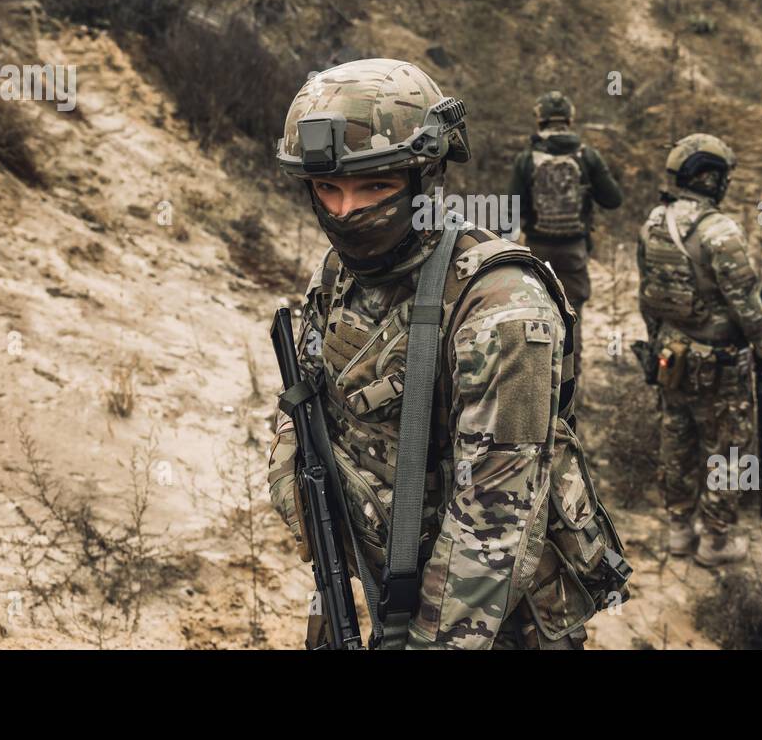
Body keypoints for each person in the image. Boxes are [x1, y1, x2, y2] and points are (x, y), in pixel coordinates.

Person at [267, 59, 627, 649]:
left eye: (375, 187)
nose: (346, 212)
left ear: (424, 176)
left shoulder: (501, 305)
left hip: (495, 621)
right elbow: (303, 406)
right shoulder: (335, 274)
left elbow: (494, 524)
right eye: (327, 189)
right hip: (380, 585)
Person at [636, 133, 762, 566]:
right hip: (720, 361)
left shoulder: (654, 221)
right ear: (710, 178)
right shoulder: (720, 230)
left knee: (676, 438)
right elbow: (747, 301)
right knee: (727, 449)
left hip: (671, 355)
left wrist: (659, 340)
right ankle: (715, 541)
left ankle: (679, 531)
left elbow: (648, 295)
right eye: (723, 177)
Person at [509, 91, 622, 375]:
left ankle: (538, 381)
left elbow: (512, 209)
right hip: (574, 252)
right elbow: (613, 199)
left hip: (537, 252)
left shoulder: (526, 159)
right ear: (570, 120)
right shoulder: (587, 156)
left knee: (535, 317)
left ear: (539, 120)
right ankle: (571, 391)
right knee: (572, 318)